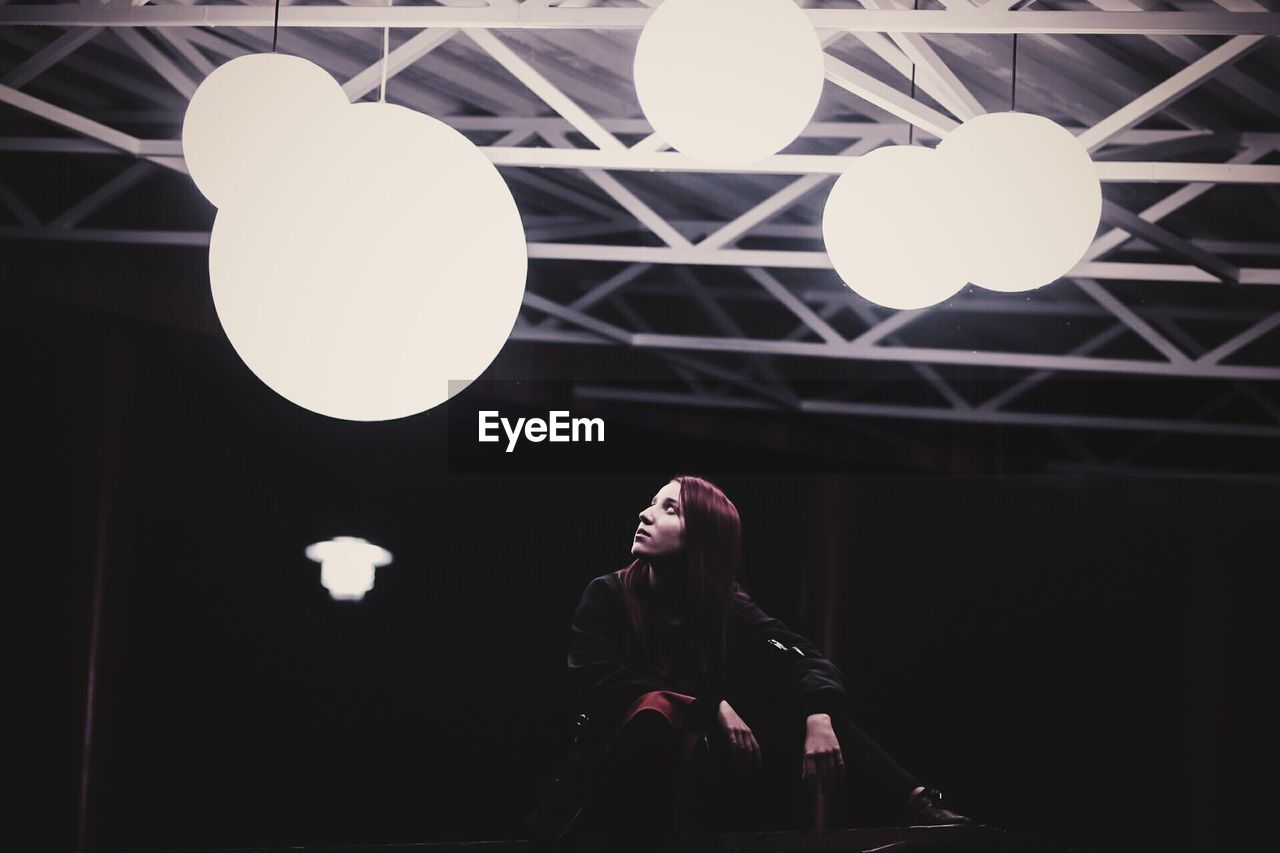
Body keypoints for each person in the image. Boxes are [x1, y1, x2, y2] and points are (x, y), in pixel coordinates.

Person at [528, 475, 968, 852]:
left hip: (702, 776)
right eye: (651, 503)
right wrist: (709, 704)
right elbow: (601, 687)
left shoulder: (727, 607)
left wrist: (819, 713)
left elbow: (804, 658)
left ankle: (916, 801)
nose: (646, 514)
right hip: (616, 775)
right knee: (656, 716)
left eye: (669, 509)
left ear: (702, 538)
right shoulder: (607, 596)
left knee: (809, 710)